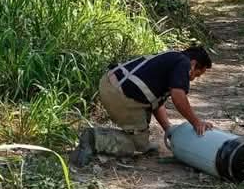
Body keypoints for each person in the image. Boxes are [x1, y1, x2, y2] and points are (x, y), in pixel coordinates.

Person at [71, 46, 214, 166]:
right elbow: (178, 97)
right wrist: (196, 123)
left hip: (110, 84)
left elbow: (156, 103)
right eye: (197, 74)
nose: (193, 78)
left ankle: (134, 138)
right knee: (137, 147)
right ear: (194, 64)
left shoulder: (172, 57)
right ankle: (95, 139)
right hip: (121, 95)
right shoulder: (183, 64)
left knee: (143, 140)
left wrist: (168, 130)